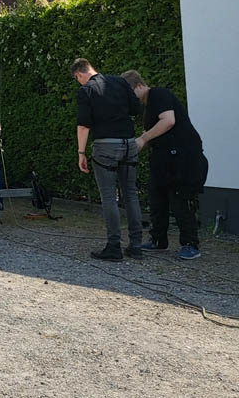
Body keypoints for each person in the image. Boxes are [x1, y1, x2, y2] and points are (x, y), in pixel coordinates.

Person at [121, 71, 207, 259]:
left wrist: (143, 138)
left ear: (137, 86)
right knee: (156, 197)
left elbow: (168, 121)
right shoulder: (148, 106)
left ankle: (191, 244)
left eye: (129, 94)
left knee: (180, 200)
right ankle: (158, 239)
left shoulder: (159, 94)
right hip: (163, 159)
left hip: (182, 159)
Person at [72, 58, 143, 261]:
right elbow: (136, 109)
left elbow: (84, 125)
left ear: (79, 74)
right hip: (129, 143)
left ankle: (114, 247)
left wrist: (81, 153)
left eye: (77, 79)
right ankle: (136, 246)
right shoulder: (119, 82)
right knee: (130, 193)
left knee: (109, 197)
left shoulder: (85, 91)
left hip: (106, 146)